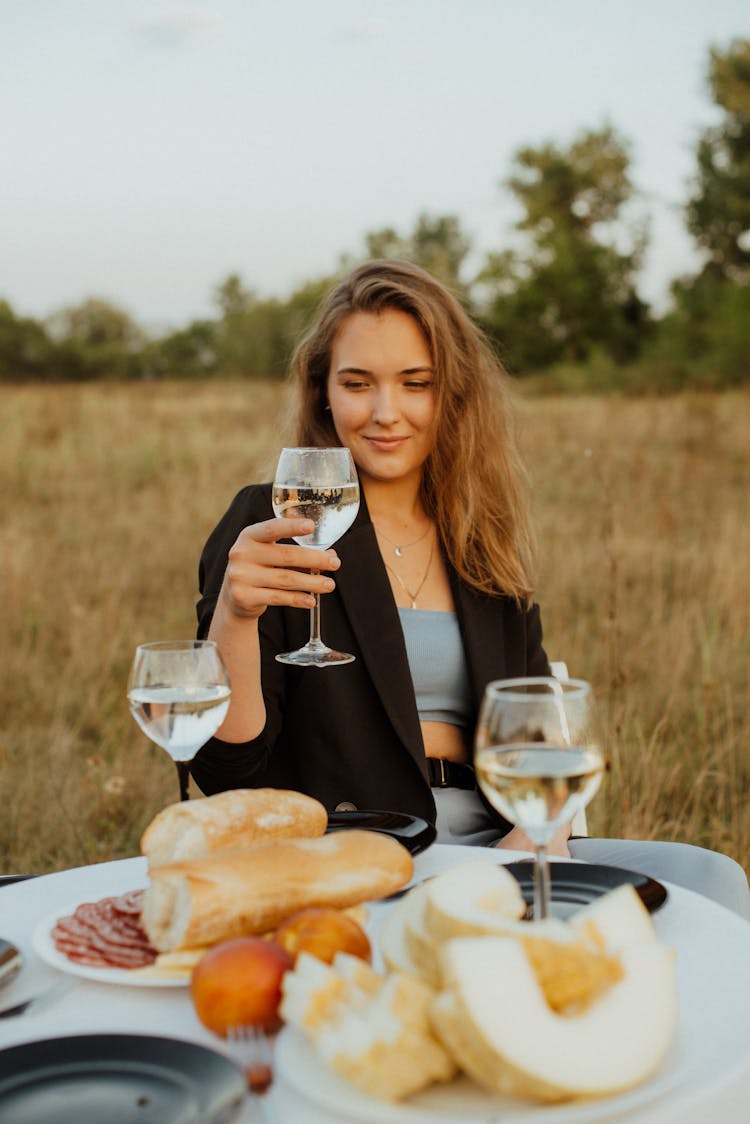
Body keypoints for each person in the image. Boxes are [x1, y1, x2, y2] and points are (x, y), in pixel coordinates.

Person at [190, 259, 750, 919]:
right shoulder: (275, 523)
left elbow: (544, 727)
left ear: (451, 393)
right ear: (324, 393)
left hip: (499, 840)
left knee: (712, 882)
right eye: (357, 383)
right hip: (354, 856)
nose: (384, 412)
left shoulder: (478, 536)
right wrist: (233, 615)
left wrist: (537, 839)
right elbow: (226, 771)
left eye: (415, 383)